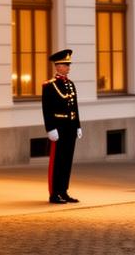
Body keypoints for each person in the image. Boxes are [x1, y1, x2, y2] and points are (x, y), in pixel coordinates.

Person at [41, 48, 82, 204]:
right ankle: (54, 193)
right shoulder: (49, 86)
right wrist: (50, 128)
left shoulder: (70, 84)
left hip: (70, 127)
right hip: (58, 128)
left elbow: (75, 107)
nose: (68, 67)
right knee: (57, 162)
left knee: (67, 161)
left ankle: (63, 191)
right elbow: (47, 109)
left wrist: (78, 126)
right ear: (58, 66)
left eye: (68, 65)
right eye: (66, 65)